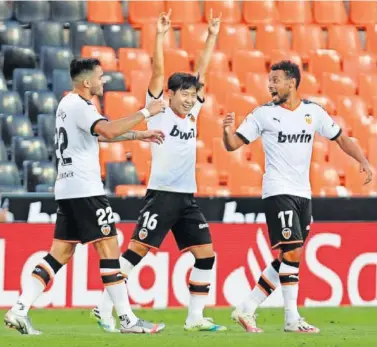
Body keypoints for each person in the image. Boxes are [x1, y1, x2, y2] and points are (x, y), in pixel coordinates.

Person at [4, 58, 167, 335]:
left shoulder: (68, 105)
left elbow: (98, 136)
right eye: (101, 77)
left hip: (68, 190)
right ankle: (127, 319)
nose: (104, 81)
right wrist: (146, 112)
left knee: (60, 253)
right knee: (109, 246)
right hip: (85, 189)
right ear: (87, 82)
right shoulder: (80, 105)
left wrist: (139, 135)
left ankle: (19, 309)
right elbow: (107, 129)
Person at [92, 9, 227, 333]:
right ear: (171, 94)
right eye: (184, 93)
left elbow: (203, 71)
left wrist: (211, 36)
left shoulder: (193, 112)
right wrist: (161, 35)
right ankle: (104, 305)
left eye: (193, 95)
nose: (190, 99)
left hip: (186, 198)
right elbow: (157, 70)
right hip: (162, 196)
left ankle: (195, 317)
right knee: (137, 252)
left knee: (206, 255)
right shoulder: (159, 111)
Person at [223, 60, 373, 333]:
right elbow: (233, 145)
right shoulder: (262, 114)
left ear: (292, 82)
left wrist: (362, 160)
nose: (270, 85)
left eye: (276, 80)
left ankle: (247, 307)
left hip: (303, 194)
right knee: (291, 251)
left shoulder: (312, 112)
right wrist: (225, 132)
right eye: (270, 81)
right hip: (278, 191)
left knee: (288, 256)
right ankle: (291, 319)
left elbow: (340, 138)